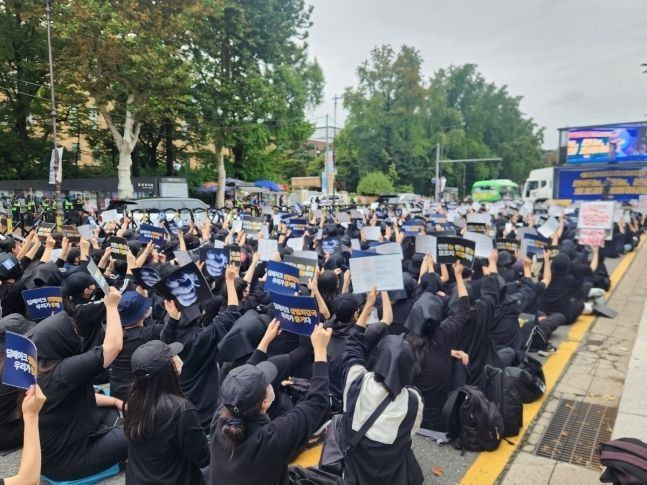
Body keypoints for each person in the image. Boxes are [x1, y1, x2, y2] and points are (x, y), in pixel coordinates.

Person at [208, 324, 340, 485]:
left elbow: (243, 381)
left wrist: (265, 341)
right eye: (268, 383)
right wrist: (320, 351)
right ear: (265, 402)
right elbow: (317, 403)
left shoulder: (220, 418)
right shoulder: (270, 439)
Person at [33, 287, 128, 481]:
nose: (78, 334)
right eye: (73, 332)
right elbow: (113, 346)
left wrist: (116, 402)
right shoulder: (63, 373)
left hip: (58, 445)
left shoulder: (42, 366)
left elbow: (82, 397)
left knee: (110, 411)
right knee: (138, 432)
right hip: (67, 461)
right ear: (61, 340)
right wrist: (111, 307)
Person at [340, 287, 424, 485]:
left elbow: (353, 346)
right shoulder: (413, 401)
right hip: (388, 472)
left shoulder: (357, 381)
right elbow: (408, 434)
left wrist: (369, 305)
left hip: (354, 467)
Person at [124, 340, 209, 484]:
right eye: (172, 358)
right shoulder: (182, 411)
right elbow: (203, 457)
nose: (177, 359)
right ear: (167, 370)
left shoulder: (134, 399)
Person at [110, 289, 163, 400]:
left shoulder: (111, 333)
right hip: (136, 395)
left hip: (115, 390)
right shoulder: (149, 333)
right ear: (142, 314)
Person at [2, 385, 46, 485]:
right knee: (44, 411)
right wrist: (31, 415)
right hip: (5, 436)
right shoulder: (11, 373)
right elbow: (28, 481)